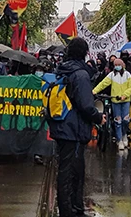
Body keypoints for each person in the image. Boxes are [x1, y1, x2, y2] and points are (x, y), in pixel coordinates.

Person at [49, 38, 105, 217]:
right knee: (72, 171)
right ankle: (70, 210)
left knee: (69, 168)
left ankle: (73, 207)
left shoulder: (63, 69)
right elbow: (86, 105)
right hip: (73, 128)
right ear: (84, 53)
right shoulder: (80, 74)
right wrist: (98, 117)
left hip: (62, 125)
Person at [92, 59, 131, 151]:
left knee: (126, 120)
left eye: (119, 64)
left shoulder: (127, 75)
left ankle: (124, 135)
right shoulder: (112, 75)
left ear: (123, 65)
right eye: (116, 65)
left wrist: (124, 95)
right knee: (117, 121)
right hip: (115, 101)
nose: (117, 66)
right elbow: (103, 84)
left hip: (125, 101)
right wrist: (94, 91)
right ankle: (119, 140)